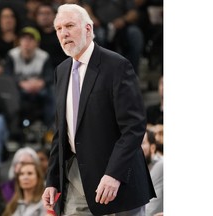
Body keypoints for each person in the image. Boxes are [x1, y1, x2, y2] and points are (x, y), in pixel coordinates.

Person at [42, 4, 156, 216]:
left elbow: (133, 127)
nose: (63, 33)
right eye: (58, 28)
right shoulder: (61, 70)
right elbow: (60, 133)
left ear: (88, 28)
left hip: (118, 179)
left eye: (69, 25)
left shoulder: (116, 65)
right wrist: (52, 180)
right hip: (75, 176)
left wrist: (114, 174)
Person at [4, 26, 55, 129]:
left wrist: (41, 83)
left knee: (53, 92)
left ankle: (49, 128)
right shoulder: (12, 55)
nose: (27, 42)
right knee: (9, 94)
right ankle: (14, 130)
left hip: (39, 89)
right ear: (19, 41)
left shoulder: (44, 56)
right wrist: (21, 83)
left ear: (37, 43)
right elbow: (8, 76)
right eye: (24, 39)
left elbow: (49, 76)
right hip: (19, 88)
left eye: (31, 39)